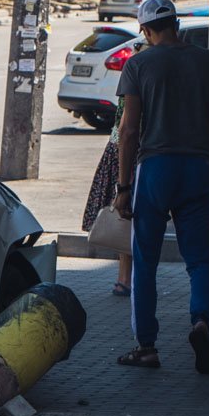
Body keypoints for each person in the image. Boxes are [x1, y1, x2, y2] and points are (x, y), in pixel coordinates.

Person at [113, 0, 209, 373]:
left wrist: (122, 187)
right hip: (200, 168)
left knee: (145, 260)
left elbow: (129, 129)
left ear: (147, 30)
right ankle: (200, 321)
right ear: (177, 25)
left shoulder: (138, 64)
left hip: (156, 169)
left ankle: (146, 346)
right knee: (201, 259)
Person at [81, 97, 133, 296]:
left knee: (125, 216)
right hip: (125, 149)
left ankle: (125, 277)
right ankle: (126, 276)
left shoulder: (135, 74)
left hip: (124, 150)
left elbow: (125, 124)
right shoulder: (142, 74)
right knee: (125, 217)